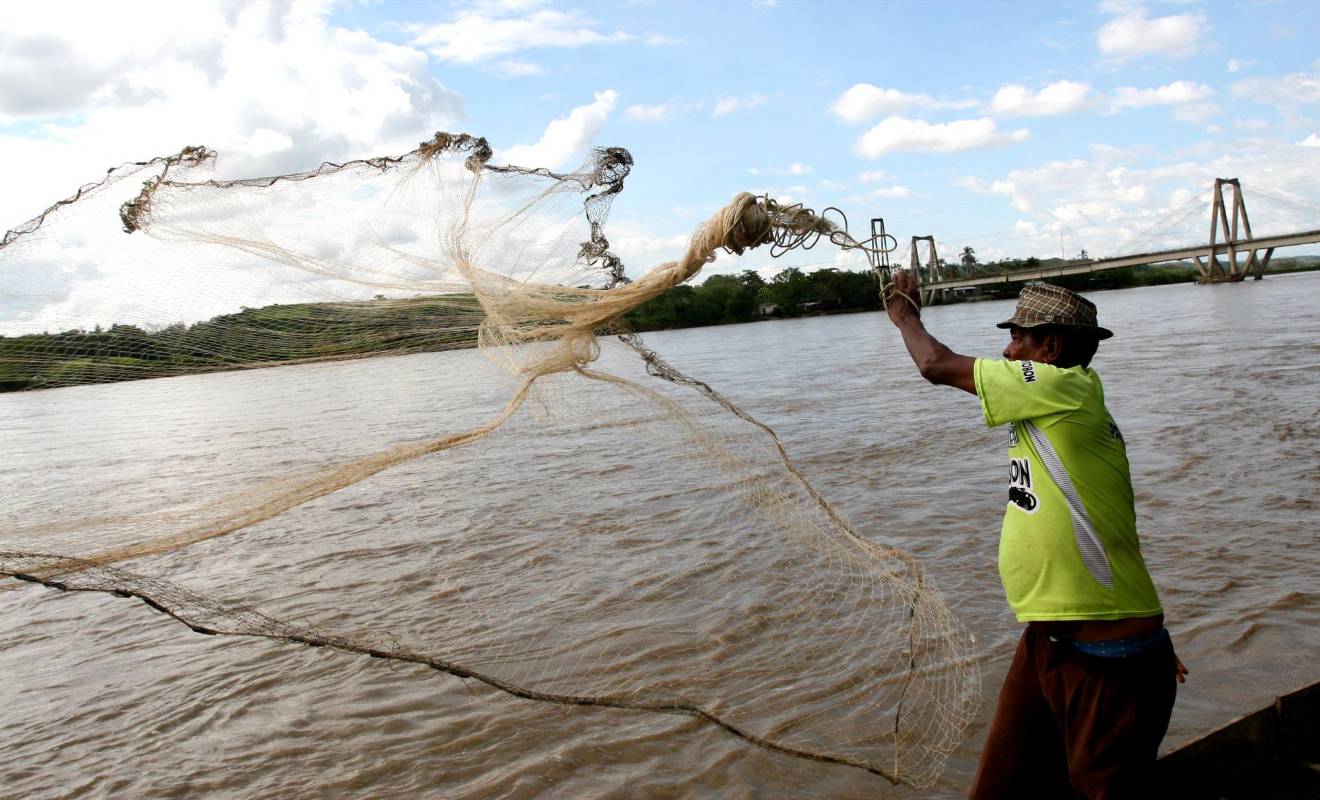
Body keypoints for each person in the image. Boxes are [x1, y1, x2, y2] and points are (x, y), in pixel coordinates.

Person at [883, 270, 1187, 799]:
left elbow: (935, 365)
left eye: (1019, 338)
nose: (1006, 349)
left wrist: (904, 314)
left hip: (1106, 659)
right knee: (1001, 785)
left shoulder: (1064, 389)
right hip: (1047, 643)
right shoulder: (1049, 408)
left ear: (1050, 347)